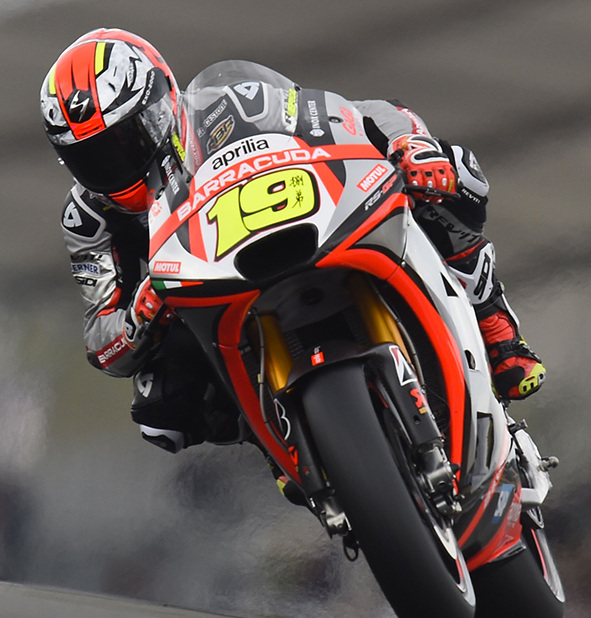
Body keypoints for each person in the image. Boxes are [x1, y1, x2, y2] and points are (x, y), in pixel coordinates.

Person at [40, 28, 546, 457]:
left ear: (162, 102)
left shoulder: (231, 103)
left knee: (450, 174)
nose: (115, 165)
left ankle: (494, 323)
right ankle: (285, 441)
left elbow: (358, 114)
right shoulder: (87, 218)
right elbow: (100, 337)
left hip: (302, 224)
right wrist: (138, 317)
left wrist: (406, 145)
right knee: (160, 406)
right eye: (93, 157)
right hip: (205, 294)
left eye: (127, 138)